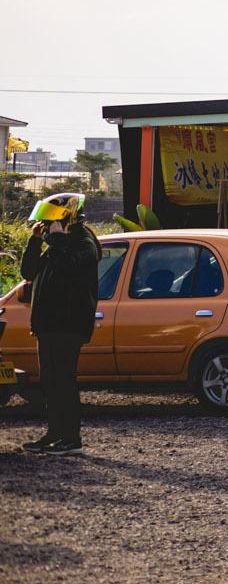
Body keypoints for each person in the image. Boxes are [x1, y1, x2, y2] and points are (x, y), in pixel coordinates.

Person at [19, 193, 101, 457]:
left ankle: (71, 439)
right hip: (48, 325)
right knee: (50, 382)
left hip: (68, 324)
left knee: (64, 381)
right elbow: (29, 272)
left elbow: (69, 267)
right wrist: (35, 240)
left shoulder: (82, 242)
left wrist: (56, 238)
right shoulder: (58, 244)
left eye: (48, 220)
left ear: (65, 217)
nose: (45, 225)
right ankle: (54, 434)